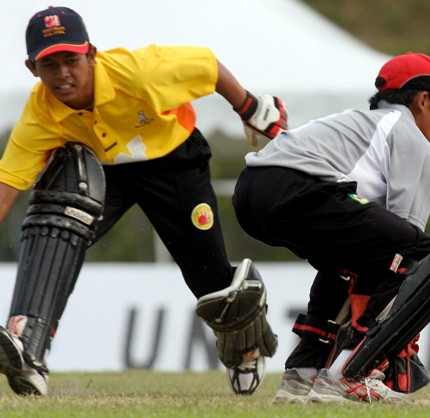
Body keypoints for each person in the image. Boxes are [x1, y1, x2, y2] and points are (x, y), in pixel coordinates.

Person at [0, 6, 287, 397]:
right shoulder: (40, 113)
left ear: (91, 54)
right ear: (33, 67)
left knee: (211, 280)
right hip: (105, 174)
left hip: (174, 164)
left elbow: (207, 66)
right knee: (53, 230)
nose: (63, 73)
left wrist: (250, 107)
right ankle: (28, 345)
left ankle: (244, 345)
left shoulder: (140, 71)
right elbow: (7, 185)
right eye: (50, 64)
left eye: (71, 59)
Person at [232, 52, 430, 403]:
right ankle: (351, 371)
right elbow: (404, 249)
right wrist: (395, 333)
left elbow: (376, 248)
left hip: (250, 192)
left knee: (346, 261)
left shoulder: (358, 120)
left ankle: (303, 375)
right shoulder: (410, 135)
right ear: (424, 100)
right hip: (296, 187)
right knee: (425, 256)